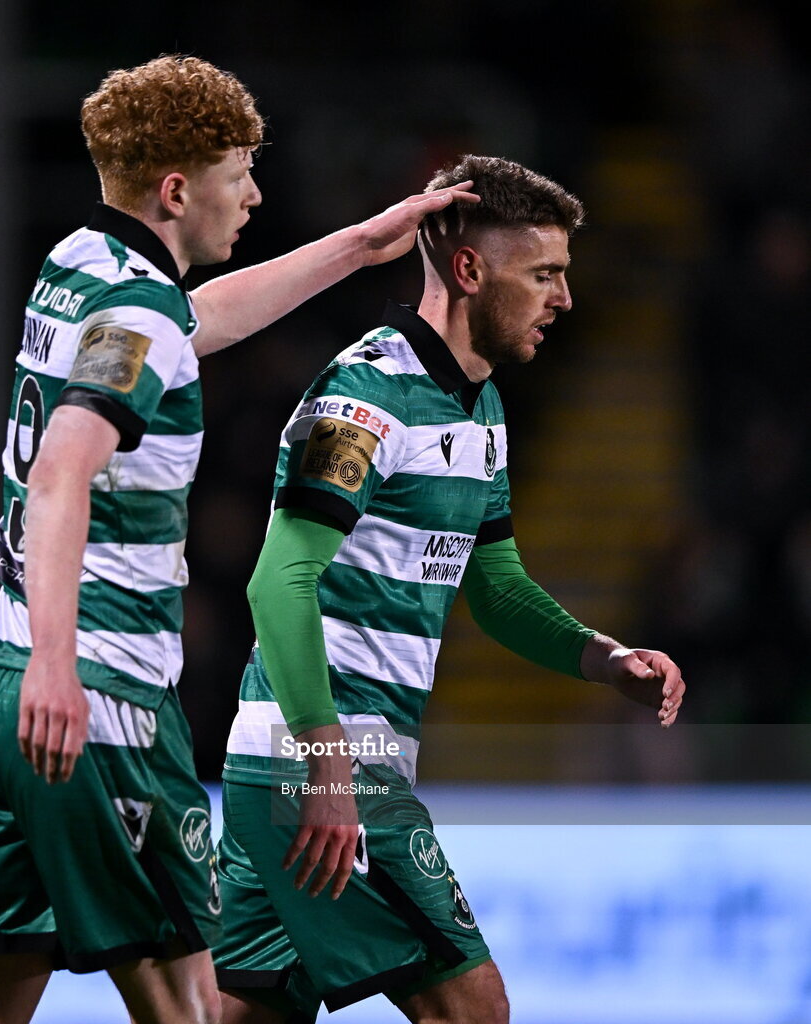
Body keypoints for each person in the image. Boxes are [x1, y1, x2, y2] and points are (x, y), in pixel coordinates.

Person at [0, 56, 478, 1024]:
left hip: (0, 688)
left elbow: (193, 321)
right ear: (178, 190)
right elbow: (60, 472)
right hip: (98, 701)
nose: (256, 194)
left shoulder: (81, 266)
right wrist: (63, 664)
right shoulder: (137, 308)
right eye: (239, 174)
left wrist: (357, 244)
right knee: (192, 1006)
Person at [214, 154, 687, 1024]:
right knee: (472, 1010)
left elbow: (496, 587)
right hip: (324, 764)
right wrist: (324, 764)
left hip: (295, 767)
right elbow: (277, 583)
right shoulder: (363, 399)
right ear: (469, 270)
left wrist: (602, 658)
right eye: (543, 274)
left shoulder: (481, 409)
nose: (563, 298)